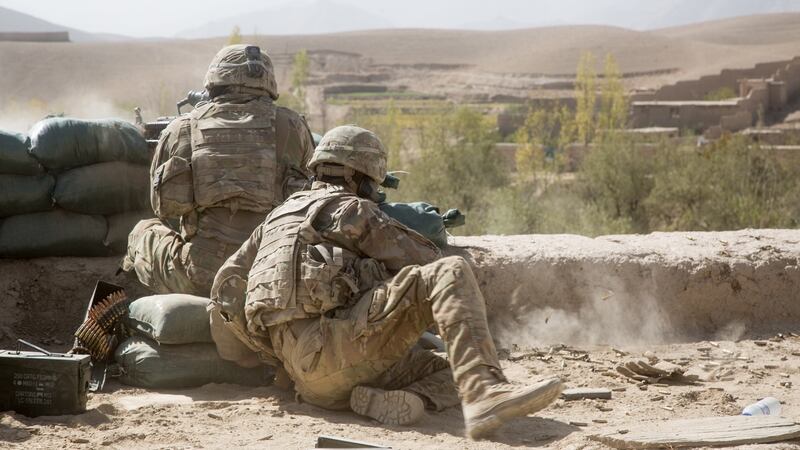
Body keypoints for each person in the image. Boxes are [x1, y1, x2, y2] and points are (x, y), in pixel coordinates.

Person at [209, 125, 563, 439]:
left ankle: (397, 400)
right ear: (361, 178)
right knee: (452, 270)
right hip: (337, 352)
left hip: (309, 383)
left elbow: (224, 290)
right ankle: (485, 395)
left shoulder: (273, 220)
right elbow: (430, 265)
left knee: (450, 369)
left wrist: (266, 361)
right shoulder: (353, 210)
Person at [122, 44, 315, 296]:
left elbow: (162, 207)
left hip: (200, 276)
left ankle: (130, 304)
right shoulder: (293, 126)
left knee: (142, 232)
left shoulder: (181, 129)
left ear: (214, 81)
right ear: (267, 83)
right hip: (269, 272)